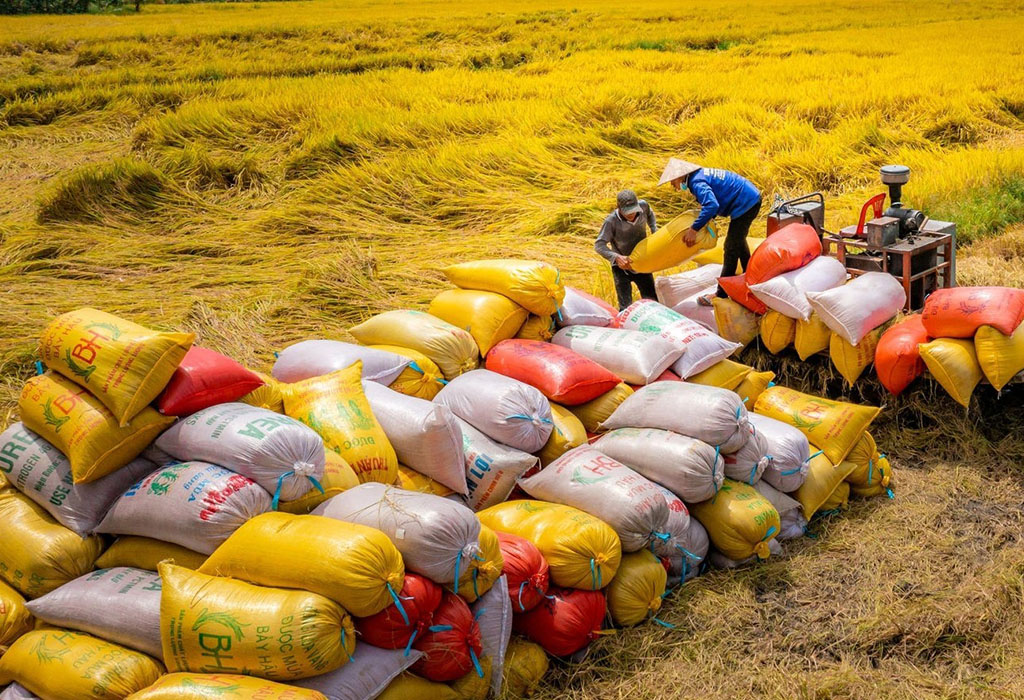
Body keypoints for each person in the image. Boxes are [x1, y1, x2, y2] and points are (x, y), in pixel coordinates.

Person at [658, 157, 762, 304]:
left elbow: (711, 205)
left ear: (679, 176)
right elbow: (713, 204)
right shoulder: (699, 175)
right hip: (749, 197)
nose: (673, 186)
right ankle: (751, 277)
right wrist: (706, 221)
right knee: (737, 241)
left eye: (672, 182)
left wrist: (694, 229)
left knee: (731, 248)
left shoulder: (696, 182)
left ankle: (721, 294)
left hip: (746, 203)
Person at [594, 189, 659, 311]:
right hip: (621, 267)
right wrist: (616, 257)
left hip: (642, 261)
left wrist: (654, 229)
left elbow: (650, 215)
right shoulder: (611, 221)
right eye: (627, 212)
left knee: (652, 300)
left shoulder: (644, 206)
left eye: (634, 211)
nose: (631, 214)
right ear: (618, 207)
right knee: (625, 306)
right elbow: (599, 245)